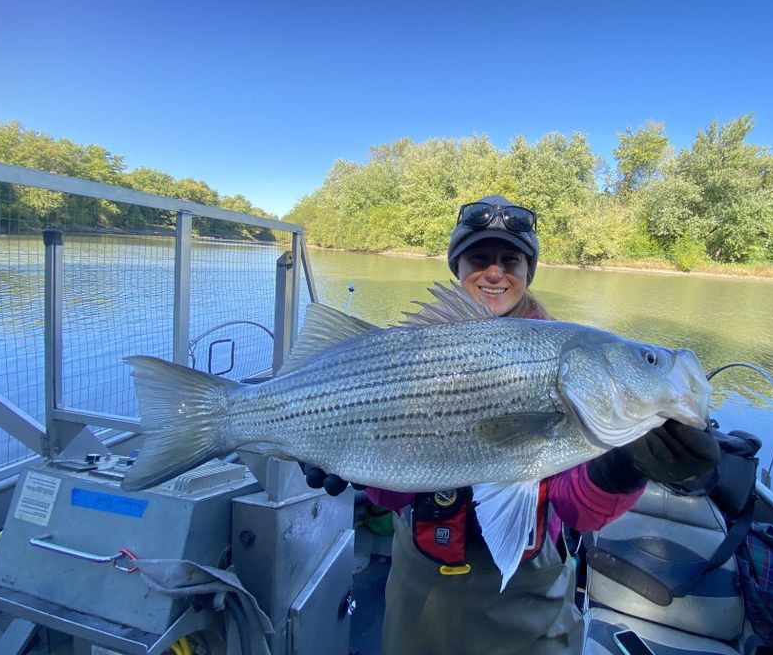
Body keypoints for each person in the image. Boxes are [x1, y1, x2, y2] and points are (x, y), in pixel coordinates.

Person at [306, 194, 720, 655]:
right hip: (420, 587)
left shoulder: (564, 352)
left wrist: (622, 468)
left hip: (528, 592)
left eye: (512, 260)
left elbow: (576, 510)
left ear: (529, 272)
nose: (495, 272)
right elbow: (393, 493)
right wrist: (346, 458)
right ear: (456, 267)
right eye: (478, 258)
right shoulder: (411, 350)